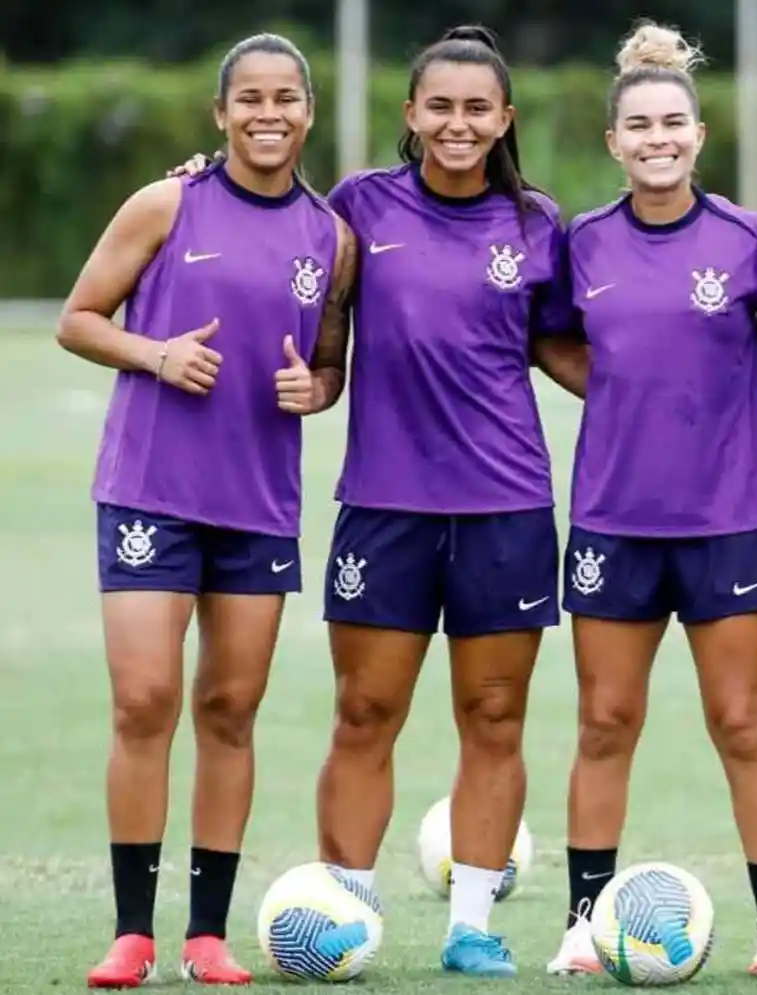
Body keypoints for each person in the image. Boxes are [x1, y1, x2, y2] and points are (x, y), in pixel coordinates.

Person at [57, 33, 356, 989]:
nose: (269, 114)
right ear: (220, 115)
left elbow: (330, 363)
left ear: (309, 113)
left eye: (287, 99)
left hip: (259, 506)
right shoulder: (167, 202)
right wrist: (156, 354)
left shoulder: (332, 237)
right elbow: (79, 316)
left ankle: (207, 935)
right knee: (145, 701)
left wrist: (319, 388)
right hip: (150, 492)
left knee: (229, 708)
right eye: (250, 99)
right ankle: (133, 933)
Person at [546, 21, 757, 980]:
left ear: (698, 136)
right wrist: (617, 383)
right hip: (613, 522)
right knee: (603, 723)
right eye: (640, 126)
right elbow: (548, 339)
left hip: (730, 520)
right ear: (614, 142)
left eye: (675, 122)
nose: (658, 138)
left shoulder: (748, 239)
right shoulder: (580, 241)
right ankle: (583, 926)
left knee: (744, 723)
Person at [314, 25, 582, 979]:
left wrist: (689, 368)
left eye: (478, 108)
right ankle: (343, 918)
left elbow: (569, 346)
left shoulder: (539, 223)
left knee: (496, 716)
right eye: (442, 106)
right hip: (385, 505)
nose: (458, 124)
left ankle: (472, 923)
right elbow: (278, 244)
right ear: (411, 114)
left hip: (506, 505)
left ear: (505, 118)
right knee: (364, 711)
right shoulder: (355, 206)